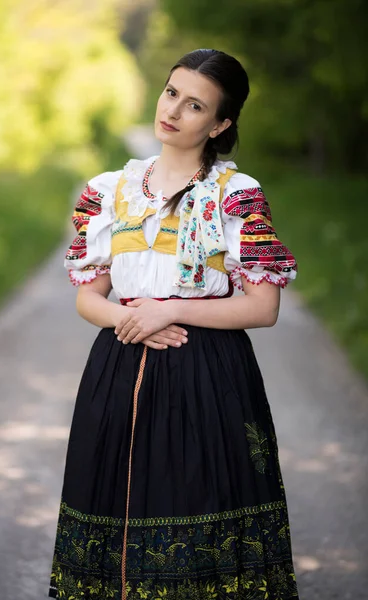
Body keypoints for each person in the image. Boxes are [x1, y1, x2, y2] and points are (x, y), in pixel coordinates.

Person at [48, 48, 300, 600]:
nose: (174, 112)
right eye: (171, 94)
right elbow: (88, 299)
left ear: (220, 123)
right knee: (112, 509)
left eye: (195, 105)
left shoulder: (236, 196)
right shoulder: (111, 191)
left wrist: (172, 308)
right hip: (118, 369)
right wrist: (128, 317)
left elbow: (263, 308)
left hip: (209, 375)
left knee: (199, 509)